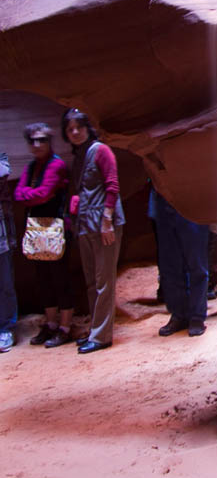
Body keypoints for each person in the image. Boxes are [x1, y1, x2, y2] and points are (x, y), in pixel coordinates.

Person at [62, 108, 125, 354]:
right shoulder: (79, 156)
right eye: (69, 129)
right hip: (86, 225)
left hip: (103, 225)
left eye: (79, 126)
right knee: (91, 282)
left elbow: (112, 184)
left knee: (103, 281)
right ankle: (95, 331)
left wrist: (107, 220)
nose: (75, 132)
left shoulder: (100, 150)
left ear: (89, 127)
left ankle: (101, 337)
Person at [14, 123, 73, 347]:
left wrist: (31, 195)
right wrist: (32, 195)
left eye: (42, 140)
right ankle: (50, 325)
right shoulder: (31, 167)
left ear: (50, 142)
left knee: (60, 279)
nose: (37, 145)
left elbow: (43, 193)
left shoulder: (56, 165)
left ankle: (65, 327)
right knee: (44, 279)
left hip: (57, 230)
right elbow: (20, 194)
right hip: (38, 229)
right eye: (33, 141)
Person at [150, 187, 209, 337]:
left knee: (196, 263)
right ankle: (179, 314)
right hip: (163, 201)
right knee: (169, 265)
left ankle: (197, 316)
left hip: (191, 199)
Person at [0, 150, 18, 354]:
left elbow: (3, 172)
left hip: (1, 235)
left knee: (4, 283)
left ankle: (6, 329)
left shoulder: (2, 157)